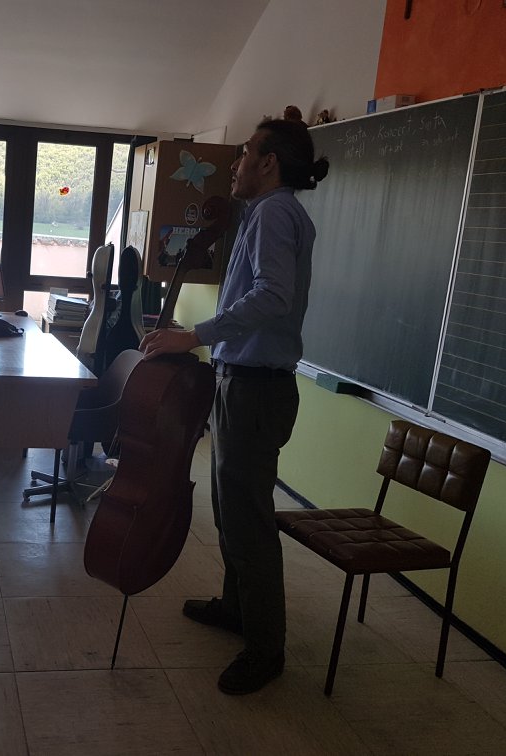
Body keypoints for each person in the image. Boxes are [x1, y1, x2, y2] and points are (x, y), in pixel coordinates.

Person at [140, 118, 329, 695]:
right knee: (229, 509)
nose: (235, 164)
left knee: (247, 518)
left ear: (268, 163)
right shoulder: (266, 213)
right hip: (242, 382)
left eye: (245, 153)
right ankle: (236, 607)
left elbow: (272, 295)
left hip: (255, 388)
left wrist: (193, 336)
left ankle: (266, 649)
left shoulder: (274, 213)